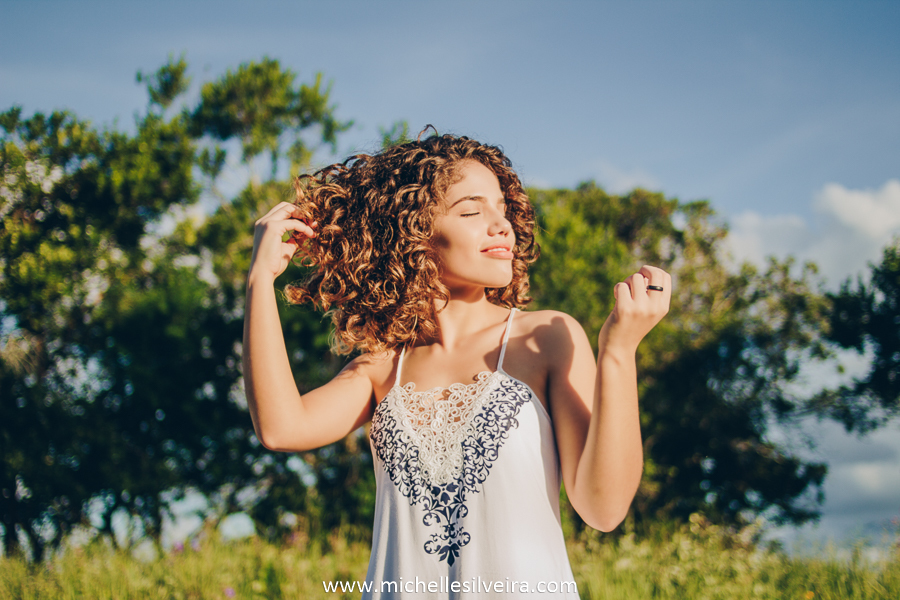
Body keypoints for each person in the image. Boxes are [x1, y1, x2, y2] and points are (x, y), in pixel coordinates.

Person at [242, 131, 671, 598]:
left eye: (503, 210)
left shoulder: (546, 337)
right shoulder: (383, 368)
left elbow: (603, 509)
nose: (501, 224)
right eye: (472, 211)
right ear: (411, 234)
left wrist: (619, 351)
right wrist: (260, 281)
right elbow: (280, 429)